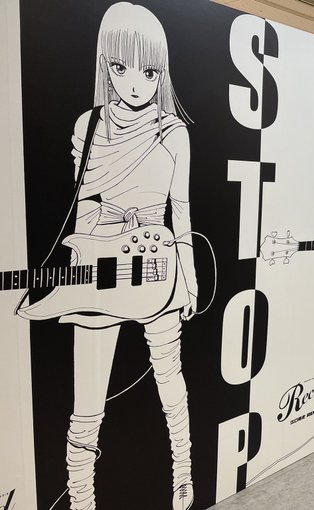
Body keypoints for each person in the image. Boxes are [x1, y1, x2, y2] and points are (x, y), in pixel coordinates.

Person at [22, 3, 197, 509]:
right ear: (106, 64)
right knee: (87, 400)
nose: (136, 83)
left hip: (159, 264)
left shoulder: (174, 132)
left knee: (170, 378)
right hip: (101, 265)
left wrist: (188, 278)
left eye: (149, 71)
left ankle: (183, 472)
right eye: (122, 67)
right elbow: (84, 212)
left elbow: (181, 210)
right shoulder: (88, 125)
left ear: (161, 72)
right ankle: (82, 498)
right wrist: (84, 271)